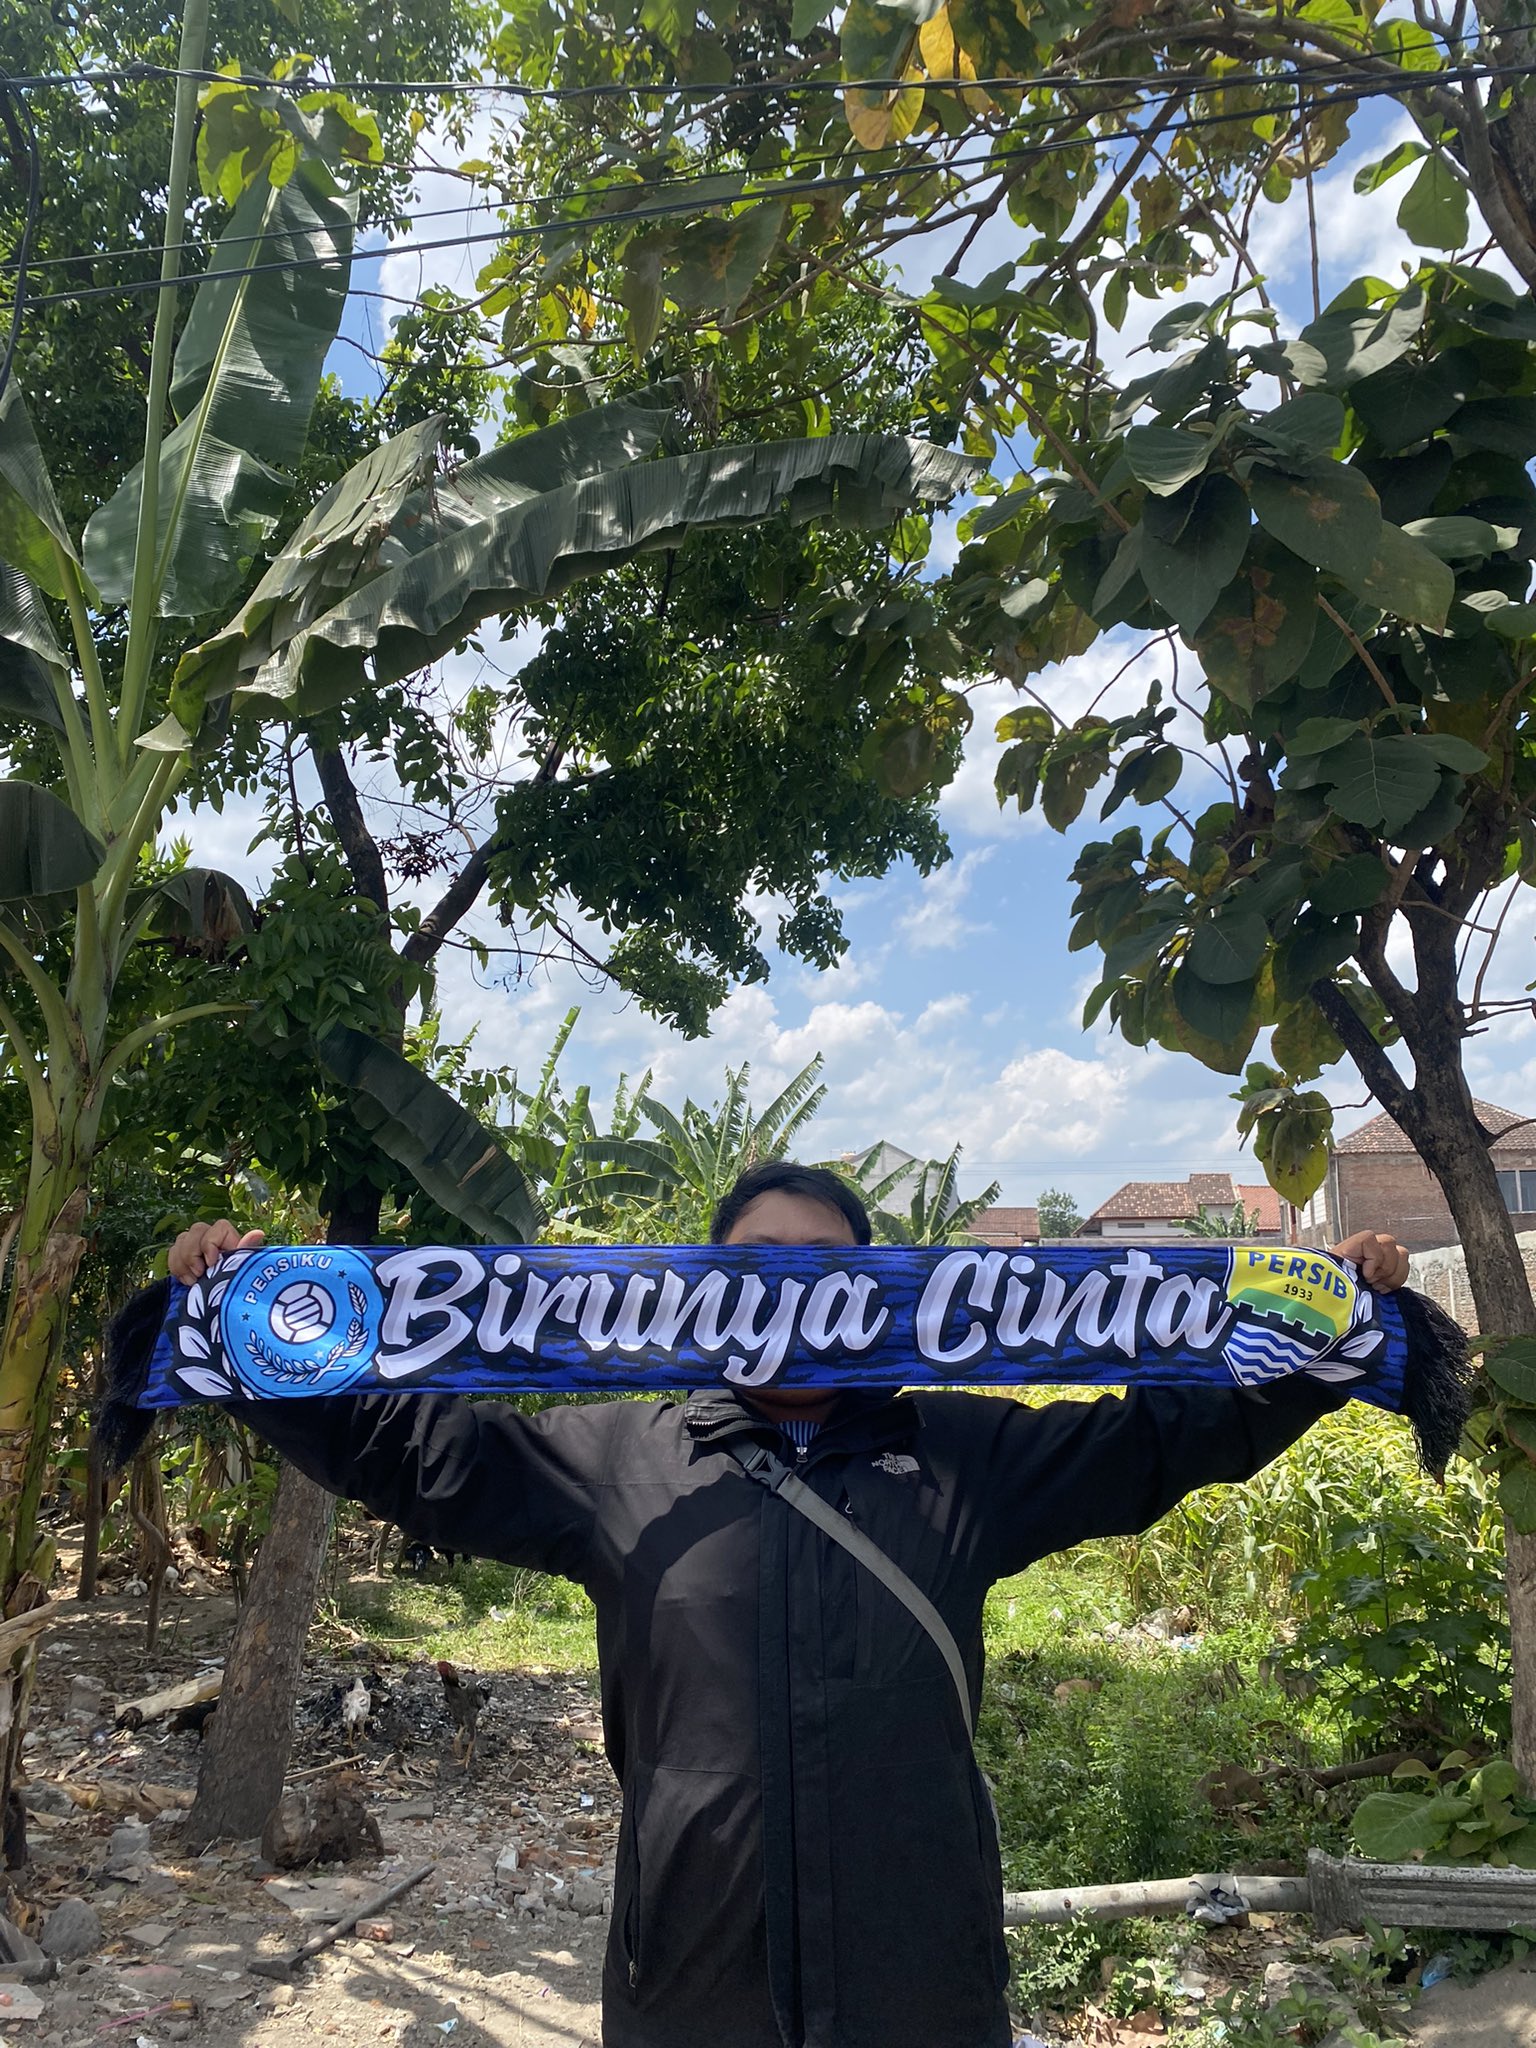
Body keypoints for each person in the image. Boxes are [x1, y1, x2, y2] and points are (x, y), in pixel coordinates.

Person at [169, 1167, 1410, 2048]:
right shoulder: (622, 1460)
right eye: (757, 1267)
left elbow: (1158, 1442)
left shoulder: (962, 1456)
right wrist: (240, 1330)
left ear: (874, 1287)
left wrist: (1330, 1328)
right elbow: (416, 1454)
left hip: (923, 1992)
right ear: (708, 1289)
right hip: (690, 1990)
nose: (791, 1292)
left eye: (825, 1267)